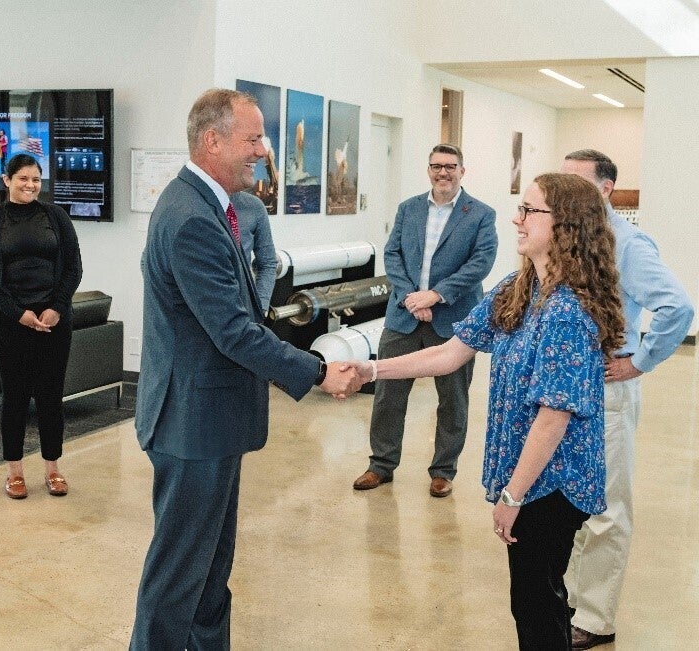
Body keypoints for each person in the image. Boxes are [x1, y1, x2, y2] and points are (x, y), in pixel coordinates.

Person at [348, 173, 626, 649]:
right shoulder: (517, 288)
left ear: (565, 226)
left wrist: (513, 497)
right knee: (539, 598)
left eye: (529, 210)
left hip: (551, 483)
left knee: (536, 603)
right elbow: (451, 352)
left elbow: (553, 417)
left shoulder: (565, 311)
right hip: (531, 477)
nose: (517, 219)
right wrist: (371, 370)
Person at [132, 88, 364, 649]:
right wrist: (316, 369)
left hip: (209, 421)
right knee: (179, 578)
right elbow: (233, 330)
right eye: (255, 137)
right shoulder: (191, 217)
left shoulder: (213, 207)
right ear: (213, 140)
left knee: (211, 573)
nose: (264, 150)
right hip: (191, 425)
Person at [559, 150, 694, 649]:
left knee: (606, 507)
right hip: (564, 387)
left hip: (608, 388)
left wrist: (638, 361)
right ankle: (572, 592)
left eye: (575, 182)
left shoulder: (629, 245)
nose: (562, 190)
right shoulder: (565, 236)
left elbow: (677, 307)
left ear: (606, 188)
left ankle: (594, 619)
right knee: (569, 500)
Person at [353, 144, 497, 497]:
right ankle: (381, 466)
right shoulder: (409, 208)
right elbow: (393, 254)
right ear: (428, 169)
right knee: (388, 394)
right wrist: (410, 297)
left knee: (452, 399)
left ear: (463, 170)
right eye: (436, 166)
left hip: (453, 322)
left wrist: (436, 295)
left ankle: (443, 470)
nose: (442, 172)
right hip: (403, 317)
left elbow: (480, 263)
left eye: (450, 166)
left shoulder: (480, 214)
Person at [0, 153, 83, 499]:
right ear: (6, 181)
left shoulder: (56, 217)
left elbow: (73, 268)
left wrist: (57, 308)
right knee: (15, 395)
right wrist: (18, 313)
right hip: (9, 321)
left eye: (35, 179)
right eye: (23, 179)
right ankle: (15, 472)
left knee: (51, 396)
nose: (30, 185)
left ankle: (53, 468)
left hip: (54, 321)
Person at [233, 189, 278, 313]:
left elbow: (268, 263)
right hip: (199, 311)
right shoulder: (192, 201)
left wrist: (261, 307)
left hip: (242, 307)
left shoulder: (253, 206)